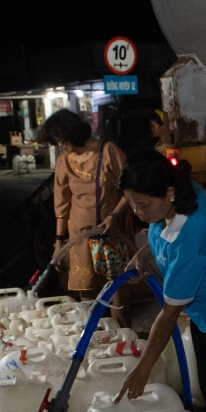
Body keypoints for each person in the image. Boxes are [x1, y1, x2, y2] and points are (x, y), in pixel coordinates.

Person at [115, 150, 206, 412]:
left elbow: (168, 315)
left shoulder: (192, 234)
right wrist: (144, 254)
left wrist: (143, 369)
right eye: (131, 202)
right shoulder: (183, 189)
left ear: (169, 194)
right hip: (202, 316)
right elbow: (160, 233)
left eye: (143, 204)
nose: (137, 211)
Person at [41, 108, 134, 326]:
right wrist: (58, 242)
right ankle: (92, 341)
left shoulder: (108, 151)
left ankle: (123, 337)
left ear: (71, 132)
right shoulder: (64, 161)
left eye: (60, 138)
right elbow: (62, 206)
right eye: (56, 141)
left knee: (117, 289)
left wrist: (114, 215)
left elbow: (131, 187)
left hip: (110, 232)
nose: (60, 145)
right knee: (86, 292)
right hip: (79, 236)